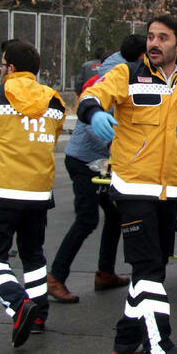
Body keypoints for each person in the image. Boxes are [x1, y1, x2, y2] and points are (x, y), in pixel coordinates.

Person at [76, 15, 177, 354]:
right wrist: (93, 113)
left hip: (169, 189)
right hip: (132, 186)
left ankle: (126, 338)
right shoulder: (127, 75)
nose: (153, 43)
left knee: (154, 267)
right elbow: (91, 94)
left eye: (163, 37)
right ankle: (160, 347)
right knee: (148, 267)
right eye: (150, 36)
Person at [0, 39, 66, 348]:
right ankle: (38, 315)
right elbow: (53, 134)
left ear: (11, 68)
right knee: (33, 254)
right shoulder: (55, 101)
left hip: (0, 190)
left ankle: (17, 303)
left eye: (2, 64)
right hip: (38, 191)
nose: (0, 69)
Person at [47, 34, 146, 303]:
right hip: (83, 160)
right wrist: (117, 143)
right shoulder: (113, 76)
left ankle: (105, 273)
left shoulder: (130, 71)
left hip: (102, 161)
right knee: (87, 219)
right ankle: (55, 277)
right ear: (139, 57)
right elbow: (92, 124)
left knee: (114, 217)